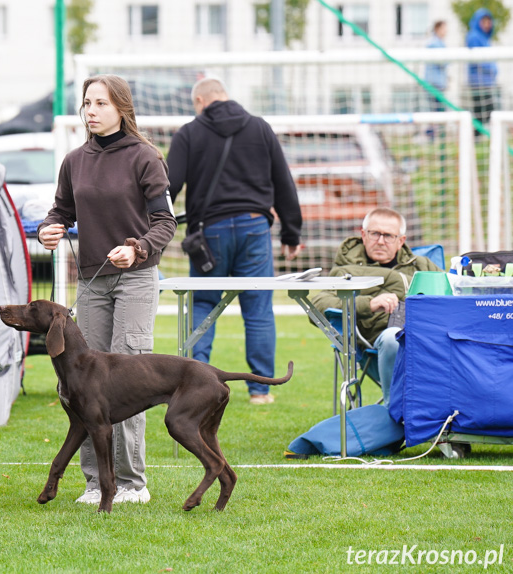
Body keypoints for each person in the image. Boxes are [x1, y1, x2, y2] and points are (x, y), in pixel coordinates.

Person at [37, 74, 177, 505]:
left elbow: (166, 223)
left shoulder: (146, 158)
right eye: (87, 103)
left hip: (136, 278)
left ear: (121, 109)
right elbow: (60, 211)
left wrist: (137, 250)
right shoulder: (74, 160)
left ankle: (133, 483)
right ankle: (97, 482)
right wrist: (49, 228)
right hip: (92, 283)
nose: (91, 111)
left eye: (100, 103)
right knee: (83, 386)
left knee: (128, 381)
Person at [166, 77, 302, 406]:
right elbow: (283, 181)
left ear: (200, 101)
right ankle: (260, 391)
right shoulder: (259, 128)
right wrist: (291, 232)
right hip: (254, 227)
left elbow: (169, 185)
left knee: (202, 304)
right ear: (225, 96)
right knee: (257, 309)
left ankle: (196, 385)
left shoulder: (189, 132)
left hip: (209, 232)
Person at [310, 208, 441, 407]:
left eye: (388, 235)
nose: (380, 241)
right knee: (393, 337)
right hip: (379, 343)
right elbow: (318, 306)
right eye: (375, 234)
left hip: (427, 337)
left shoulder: (422, 265)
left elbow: (450, 295)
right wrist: (369, 304)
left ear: (401, 240)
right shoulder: (345, 271)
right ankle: (396, 412)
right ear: (363, 235)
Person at [466, 8, 497, 135]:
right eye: (483, 21)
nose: (487, 24)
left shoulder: (485, 38)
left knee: (486, 113)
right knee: (484, 113)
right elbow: (477, 59)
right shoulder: (474, 36)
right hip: (478, 83)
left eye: (488, 21)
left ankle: (477, 137)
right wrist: (491, 68)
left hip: (487, 82)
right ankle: (474, 136)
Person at [424, 20, 448, 113]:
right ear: (437, 29)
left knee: (439, 111)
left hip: (438, 84)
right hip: (434, 84)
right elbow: (443, 62)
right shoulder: (434, 44)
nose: (446, 31)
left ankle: (434, 127)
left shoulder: (439, 43)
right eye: (444, 28)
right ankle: (433, 128)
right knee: (437, 112)